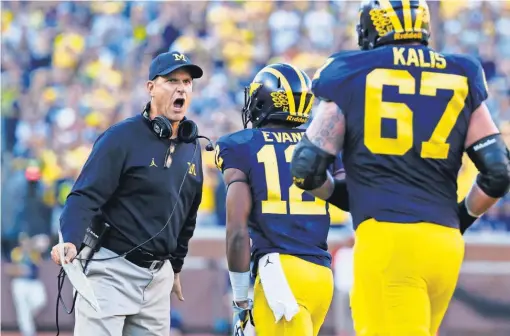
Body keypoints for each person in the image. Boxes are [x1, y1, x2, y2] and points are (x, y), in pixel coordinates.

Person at [290, 1, 510, 335]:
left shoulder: (351, 70)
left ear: (373, 28)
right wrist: (461, 217)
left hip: (389, 239)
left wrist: (344, 197)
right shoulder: (461, 71)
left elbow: (305, 167)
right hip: (445, 244)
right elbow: (498, 172)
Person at [50, 51, 209, 336]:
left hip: (157, 279)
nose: (181, 88)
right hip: (110, 269)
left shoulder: (193, 146)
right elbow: (84, 196)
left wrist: (175, 267)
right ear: (151, 88)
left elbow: (188, 213)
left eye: (187, 82)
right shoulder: (121, 137)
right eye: (172, 80)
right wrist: (71, 239)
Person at [215, 63, 343, 336]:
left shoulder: (241, 144)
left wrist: (240, 297)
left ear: (263, 101)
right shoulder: (320, 144)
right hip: (321, 275)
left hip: (281, 275)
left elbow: (236, 231)